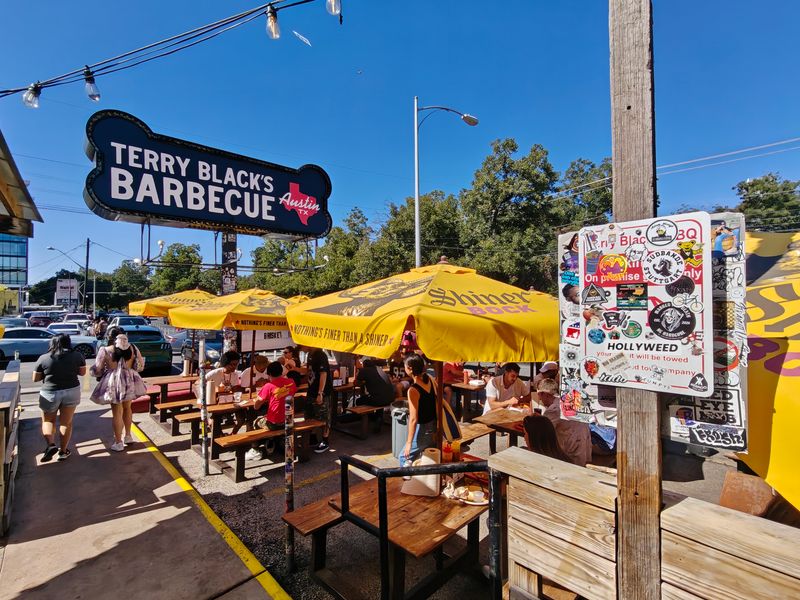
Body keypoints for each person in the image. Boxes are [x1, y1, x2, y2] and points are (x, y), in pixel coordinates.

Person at [90, 328, 147, 452]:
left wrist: (93, 371)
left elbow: (98, 369)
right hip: (130, 381)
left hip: (113, 382)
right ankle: (128, 436)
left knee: (117, 413)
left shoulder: (105, 350)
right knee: (128, 408)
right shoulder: (133, 348)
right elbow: (141, 366)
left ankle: (118, 442)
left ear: (110, 337)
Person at [33, 334, 86, 462]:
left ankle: (51, 445)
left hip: (49, 392)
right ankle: (63, 451)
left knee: (48, 421)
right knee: (66, 422)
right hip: (72, 390)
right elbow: (82, 372)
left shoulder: (44, 358)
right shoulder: (77, 355)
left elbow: (35, 378)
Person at [245, 361, 297, 461]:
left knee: (254, 422)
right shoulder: (291, 382)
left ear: (268, 374)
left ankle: (255, 449)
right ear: (281, 372)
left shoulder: (268, 386)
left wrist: (257, 400)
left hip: (275, 424)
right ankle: (273, 442)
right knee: (268, 417)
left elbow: (256, 407)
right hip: (289, 421)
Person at [536, 378, 592, 467]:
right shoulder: (569, 401)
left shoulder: (554, 409)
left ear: (545, 394)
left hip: (572, 449)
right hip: (583, 445)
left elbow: (542, 432)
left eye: (540, 395)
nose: (540, 399)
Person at [399, 353, 437, 467]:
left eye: (405, 366)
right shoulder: (429, 379)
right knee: (425, 458)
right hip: (434, 425)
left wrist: (409, 443)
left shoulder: (413, 390)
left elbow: (413, 419)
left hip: (424, 429)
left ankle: (408, 484)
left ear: (410, 369)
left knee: (403, 457)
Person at [306, 348, 333, 453]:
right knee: (310, 415)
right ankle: (312, 438)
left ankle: (325, 441)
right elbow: (309, 371)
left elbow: (323, 374)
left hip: (321, 392)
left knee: (324, 417)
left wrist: (320, 393)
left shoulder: (320, 355)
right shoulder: (309, 354)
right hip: (311, 390)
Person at [354, 357, 395, 424]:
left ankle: (373, 418)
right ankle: (378, 417)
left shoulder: (364, 370)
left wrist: (359, 377)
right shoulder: (379, 369)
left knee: (359, 401)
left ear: (364, 365)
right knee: (377, 396)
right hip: (390, 398)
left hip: (379, 400)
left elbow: (356, 384)